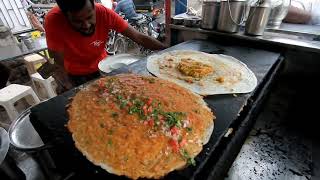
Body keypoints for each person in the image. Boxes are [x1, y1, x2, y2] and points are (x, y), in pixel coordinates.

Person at [44, 0, 166, 90]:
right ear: (66, 16)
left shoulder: (103, 12)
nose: (86, 25)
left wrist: (168, 51)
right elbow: (57, 58)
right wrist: (68, 85)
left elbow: (139, 37)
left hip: (103, 68)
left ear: (93, 7)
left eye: (89, 17)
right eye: (78, 21)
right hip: (75, 74)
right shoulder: (53, 20)